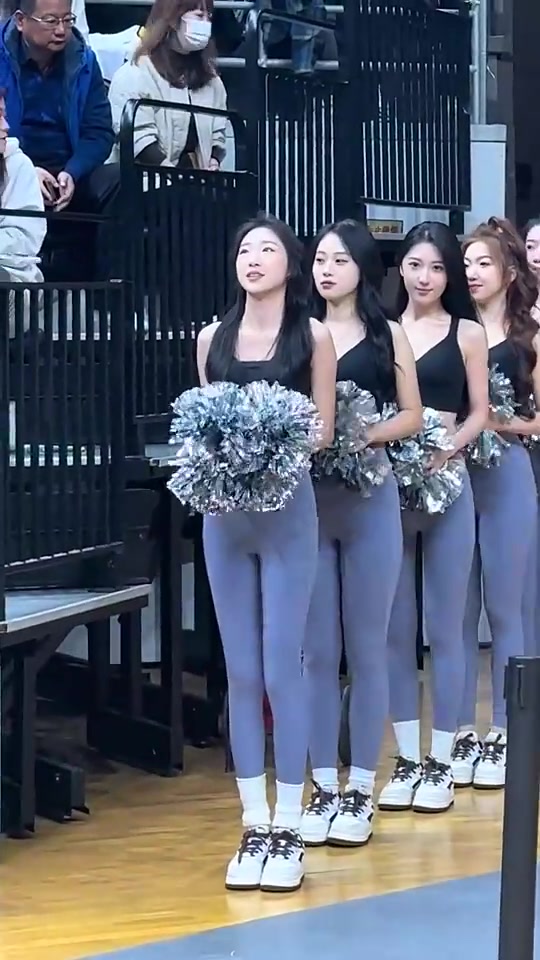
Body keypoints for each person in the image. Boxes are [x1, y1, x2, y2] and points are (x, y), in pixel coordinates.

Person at [197, 213, 336, 893]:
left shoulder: (313, 336)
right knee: (242, 672)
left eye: (267, 249)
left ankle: (289, 824)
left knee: (285, 667)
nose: (253, 259)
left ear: (290, 263)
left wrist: (267, 442)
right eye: (244, 249)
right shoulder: (210, 338)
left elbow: (323, 429)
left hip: (287, 512)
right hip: (226, 518)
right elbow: (201, 422)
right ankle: (253, 824)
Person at [299, 220, 422, 848]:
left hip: (371, 498)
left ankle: (360, 790)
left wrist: (361, 434)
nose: (327, 270)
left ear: (363, 268)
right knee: (318, 652)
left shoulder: (387, 333)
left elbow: (413, 414)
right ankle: (323, 785)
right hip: (309, 505)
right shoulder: (301, 332)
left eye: (340, 260)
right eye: (320, 259)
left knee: (367, 648)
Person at [379, 221, 488, 814]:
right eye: (416, 265)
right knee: (396, 629)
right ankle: (407, 759)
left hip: (448, 484)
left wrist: (448, 449)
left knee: (447, 627)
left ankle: (443, 758)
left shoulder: (467, 332)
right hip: (388, 489)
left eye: (438, 267)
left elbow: (479, 413)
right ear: (400, 269)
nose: (425, 278)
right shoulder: (382, 330)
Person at [455, 218, 540, 790]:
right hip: (456, 476)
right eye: (467, 264)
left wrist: (495, 422)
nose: (473, 273)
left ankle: (508, 730)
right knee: (457, 612)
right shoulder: (454, 332)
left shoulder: (529, 336)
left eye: (483, 263)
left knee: (506, 609)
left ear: (509, 272)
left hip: (508, 472)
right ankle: (460, 730)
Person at [0, 0, 116, 277]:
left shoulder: (84, 60)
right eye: (51, 21)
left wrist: (73, 172)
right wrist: (27, 169)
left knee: (118, 181)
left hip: (68, 169)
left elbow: (99, 131)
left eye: (68, 20)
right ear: (21, 21)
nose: (62, 30)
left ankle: (113, 290)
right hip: (13, 164)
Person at [108, 0, 227, 171]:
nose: (206, 23)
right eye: (199, 16)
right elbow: (137, 139)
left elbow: (218, 134)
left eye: (209, 17)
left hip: (199, 180)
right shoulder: (135, 74)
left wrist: (214, 162)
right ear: (172, 18)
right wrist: (169, 173)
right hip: (146, 179)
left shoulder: (211, 80)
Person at [0, 92, 46, 285]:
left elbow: (24, 238)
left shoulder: (18, 165)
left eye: (4, 116)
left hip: (10, 275)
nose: (6, 126)